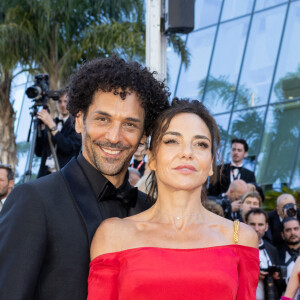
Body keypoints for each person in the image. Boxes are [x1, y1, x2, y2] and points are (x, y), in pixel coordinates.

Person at [0, 55, 170, 299]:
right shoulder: (35, 201)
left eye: (130, 125)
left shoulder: (152, 210)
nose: (114, 136)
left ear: (144, 135)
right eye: (103, 119)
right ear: (79, 121)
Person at [88, 99, 259, 300]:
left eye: (201, 144)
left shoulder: (240, 237)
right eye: (172, 141)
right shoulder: (114, 234)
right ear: (151, 159)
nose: (187, 153)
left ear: (211, 164)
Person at [34, 86, 82, 178]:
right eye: (60, 101)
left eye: (65, 101)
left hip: (64, 178)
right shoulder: (50, 122)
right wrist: (42, 128)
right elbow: (38, 152)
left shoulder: (77, 124)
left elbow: (67, 148)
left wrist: (52, 126)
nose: (63, 105)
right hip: (44, 176)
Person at [246, 208, 286, 300]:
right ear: (245, 225)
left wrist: (277, 276)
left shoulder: (272, 249)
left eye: (260, 224)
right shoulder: (238, 249)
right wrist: (253, 274)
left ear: (266, 227)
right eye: (252, 224)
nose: (256, 229)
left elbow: (281, 286)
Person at [279, 218, 300, 283]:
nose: (293, 233)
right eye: (288, 230)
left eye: (296, 229)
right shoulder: (276, 255)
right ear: (282, 235)